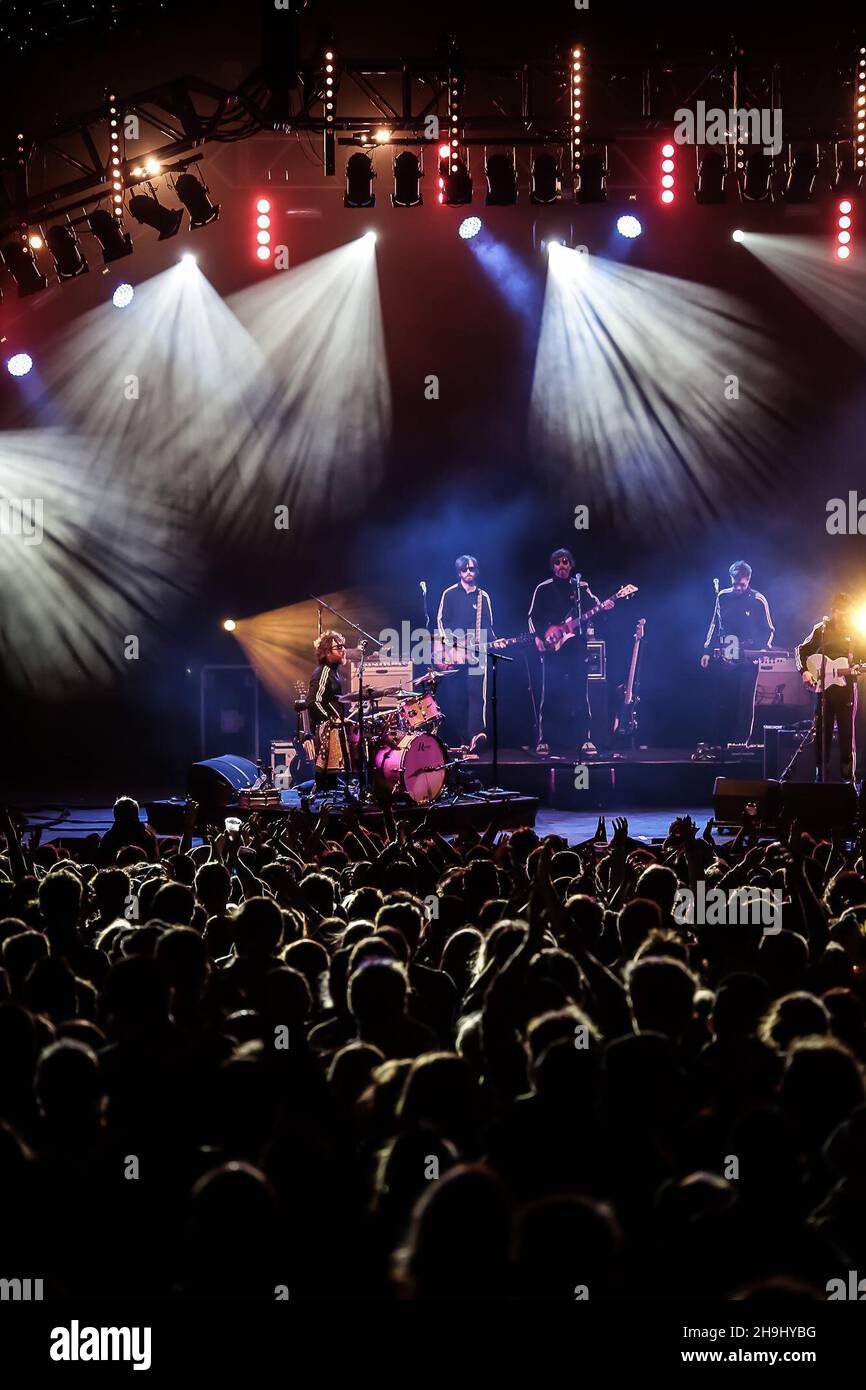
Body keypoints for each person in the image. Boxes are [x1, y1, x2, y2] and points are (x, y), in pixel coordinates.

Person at [528, 548, 612, 757]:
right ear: (553, 566)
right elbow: (532, 617)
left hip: (576, 647)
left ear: (571, 564)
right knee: (550, 693)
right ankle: (544, 739)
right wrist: (539, 637)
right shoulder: (543, 588)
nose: (562, 565)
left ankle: (585, 738)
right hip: (552, 646)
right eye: (557, 562)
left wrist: (606, 606)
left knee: (580, 692)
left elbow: (595, 608)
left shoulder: (581, 587)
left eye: (565, 562)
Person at [701, 561, 775, 746]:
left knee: (745, 700)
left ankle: (741, 742)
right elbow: (714, 624)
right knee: (725, 699)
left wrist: (763, 648)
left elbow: (769, 628)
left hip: (749, 659)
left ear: (748, 580)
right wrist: (707, 651)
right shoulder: (722, 596)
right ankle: (720, 742)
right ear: (730, 579)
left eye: (742, 584)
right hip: (726, 656)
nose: (738, 588)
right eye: (735, 584)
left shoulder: (758, 599)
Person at [796, 592, 859, 783]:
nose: (843, 616)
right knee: (822, 733)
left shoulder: (857, 631)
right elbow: (801, 649)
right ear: (834, 611)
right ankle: (821, 777)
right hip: (823, 690)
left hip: (846, 690)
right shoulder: (821, 629)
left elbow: (861, 659)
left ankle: (848, 780)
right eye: (840, 612)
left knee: (847, 735)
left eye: (847, 613)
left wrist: (857, 667)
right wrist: (804, 672)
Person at [434, 555, 494, 747]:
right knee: (457, 697)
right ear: (459, 572)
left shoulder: (483, 596)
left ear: (477, 571)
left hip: (477, 653)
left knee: (477, 695)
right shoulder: (449, 594)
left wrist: (494, 641)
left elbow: (488, 624)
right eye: (465, 569)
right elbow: (441, 621)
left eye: (472, 568)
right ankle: (464, 739)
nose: (469, 572)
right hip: (455, 652)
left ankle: (477, 735)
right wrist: (451, 646)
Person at [308, 629, 351, 790]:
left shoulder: (334, 672)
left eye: (343, 646)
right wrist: (329, 720)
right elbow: (313, 702)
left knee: (332, 773)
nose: (343, 649)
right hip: (325, 728)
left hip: (332, 727)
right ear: (326, 652)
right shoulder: (323, 672)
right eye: (338, 647)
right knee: (325, 774)